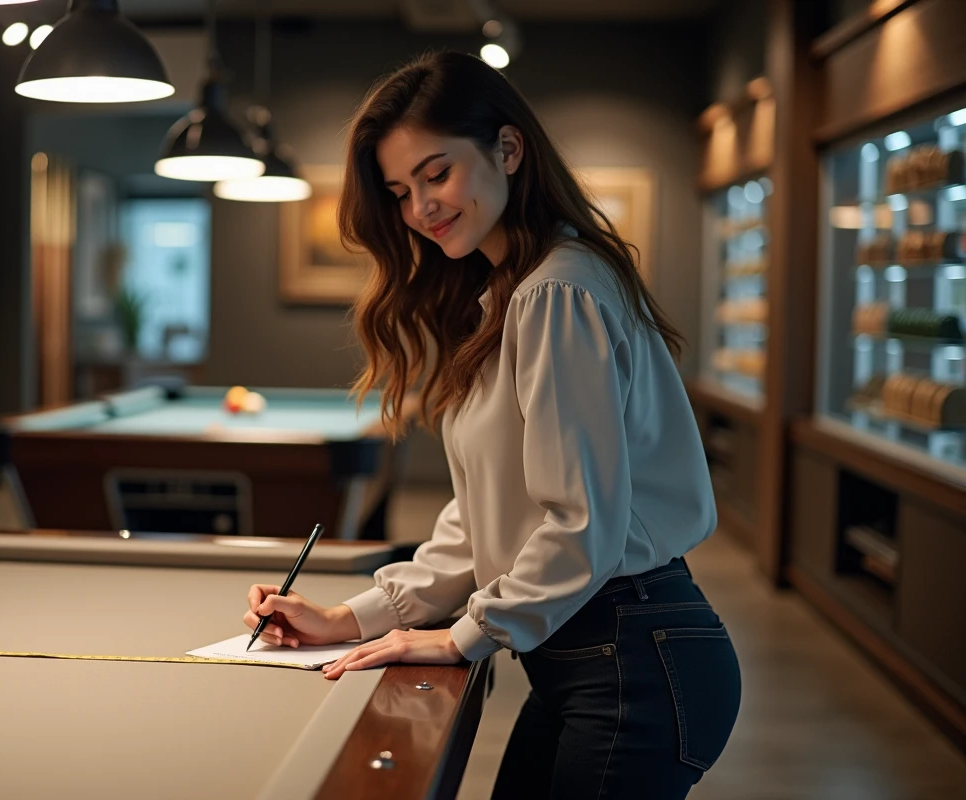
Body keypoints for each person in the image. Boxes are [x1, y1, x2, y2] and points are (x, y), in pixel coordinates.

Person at [242, 50, 741, 799]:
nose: (419, 208)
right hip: (596, 656)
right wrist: (350, 616)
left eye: (436, 174)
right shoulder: (515, 296)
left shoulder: (555, 293)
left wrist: (460, 636)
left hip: (633, 657)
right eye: (401, 190)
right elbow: (485, 523)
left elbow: (582, 524)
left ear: (508, 150)